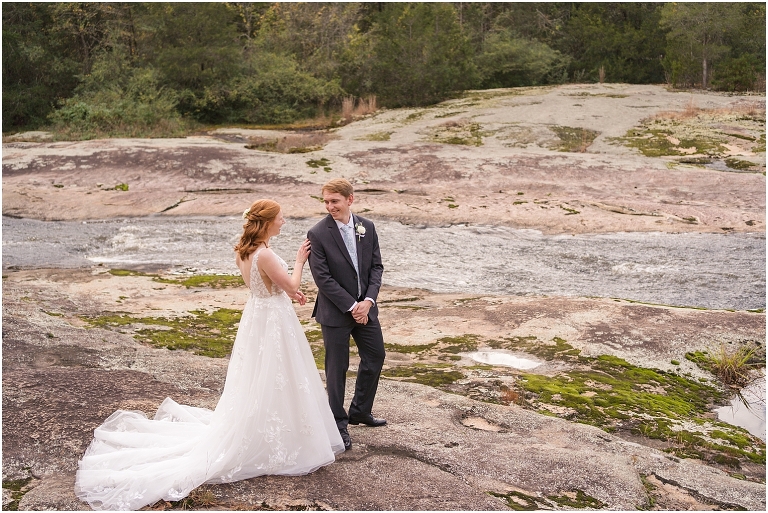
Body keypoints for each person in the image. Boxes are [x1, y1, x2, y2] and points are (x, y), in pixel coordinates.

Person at [74, 199, 344, 511]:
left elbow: (269, 286)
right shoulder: (266, 253)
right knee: (277, 375)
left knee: (262, 377)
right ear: (268, 222)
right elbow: (290, 282)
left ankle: (272, 428)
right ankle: (279, 437)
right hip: (272, 321)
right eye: (281, 218)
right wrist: (299, 262)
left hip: (258, 315)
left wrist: (287, 289)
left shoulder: (243, 250)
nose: (284, 221)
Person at [307, 179, 387, 451]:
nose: (330, 207)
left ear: (349, 200)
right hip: (335, 313)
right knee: (336, 369)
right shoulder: (317, 233)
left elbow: (376, 267)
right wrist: (353, 307)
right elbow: (323, 278)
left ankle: (360, 411)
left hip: (365, 309)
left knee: (376, 355)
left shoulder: (368, 227)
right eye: (326, 202)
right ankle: (337, 425)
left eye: (335, 202)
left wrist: (367, 301)